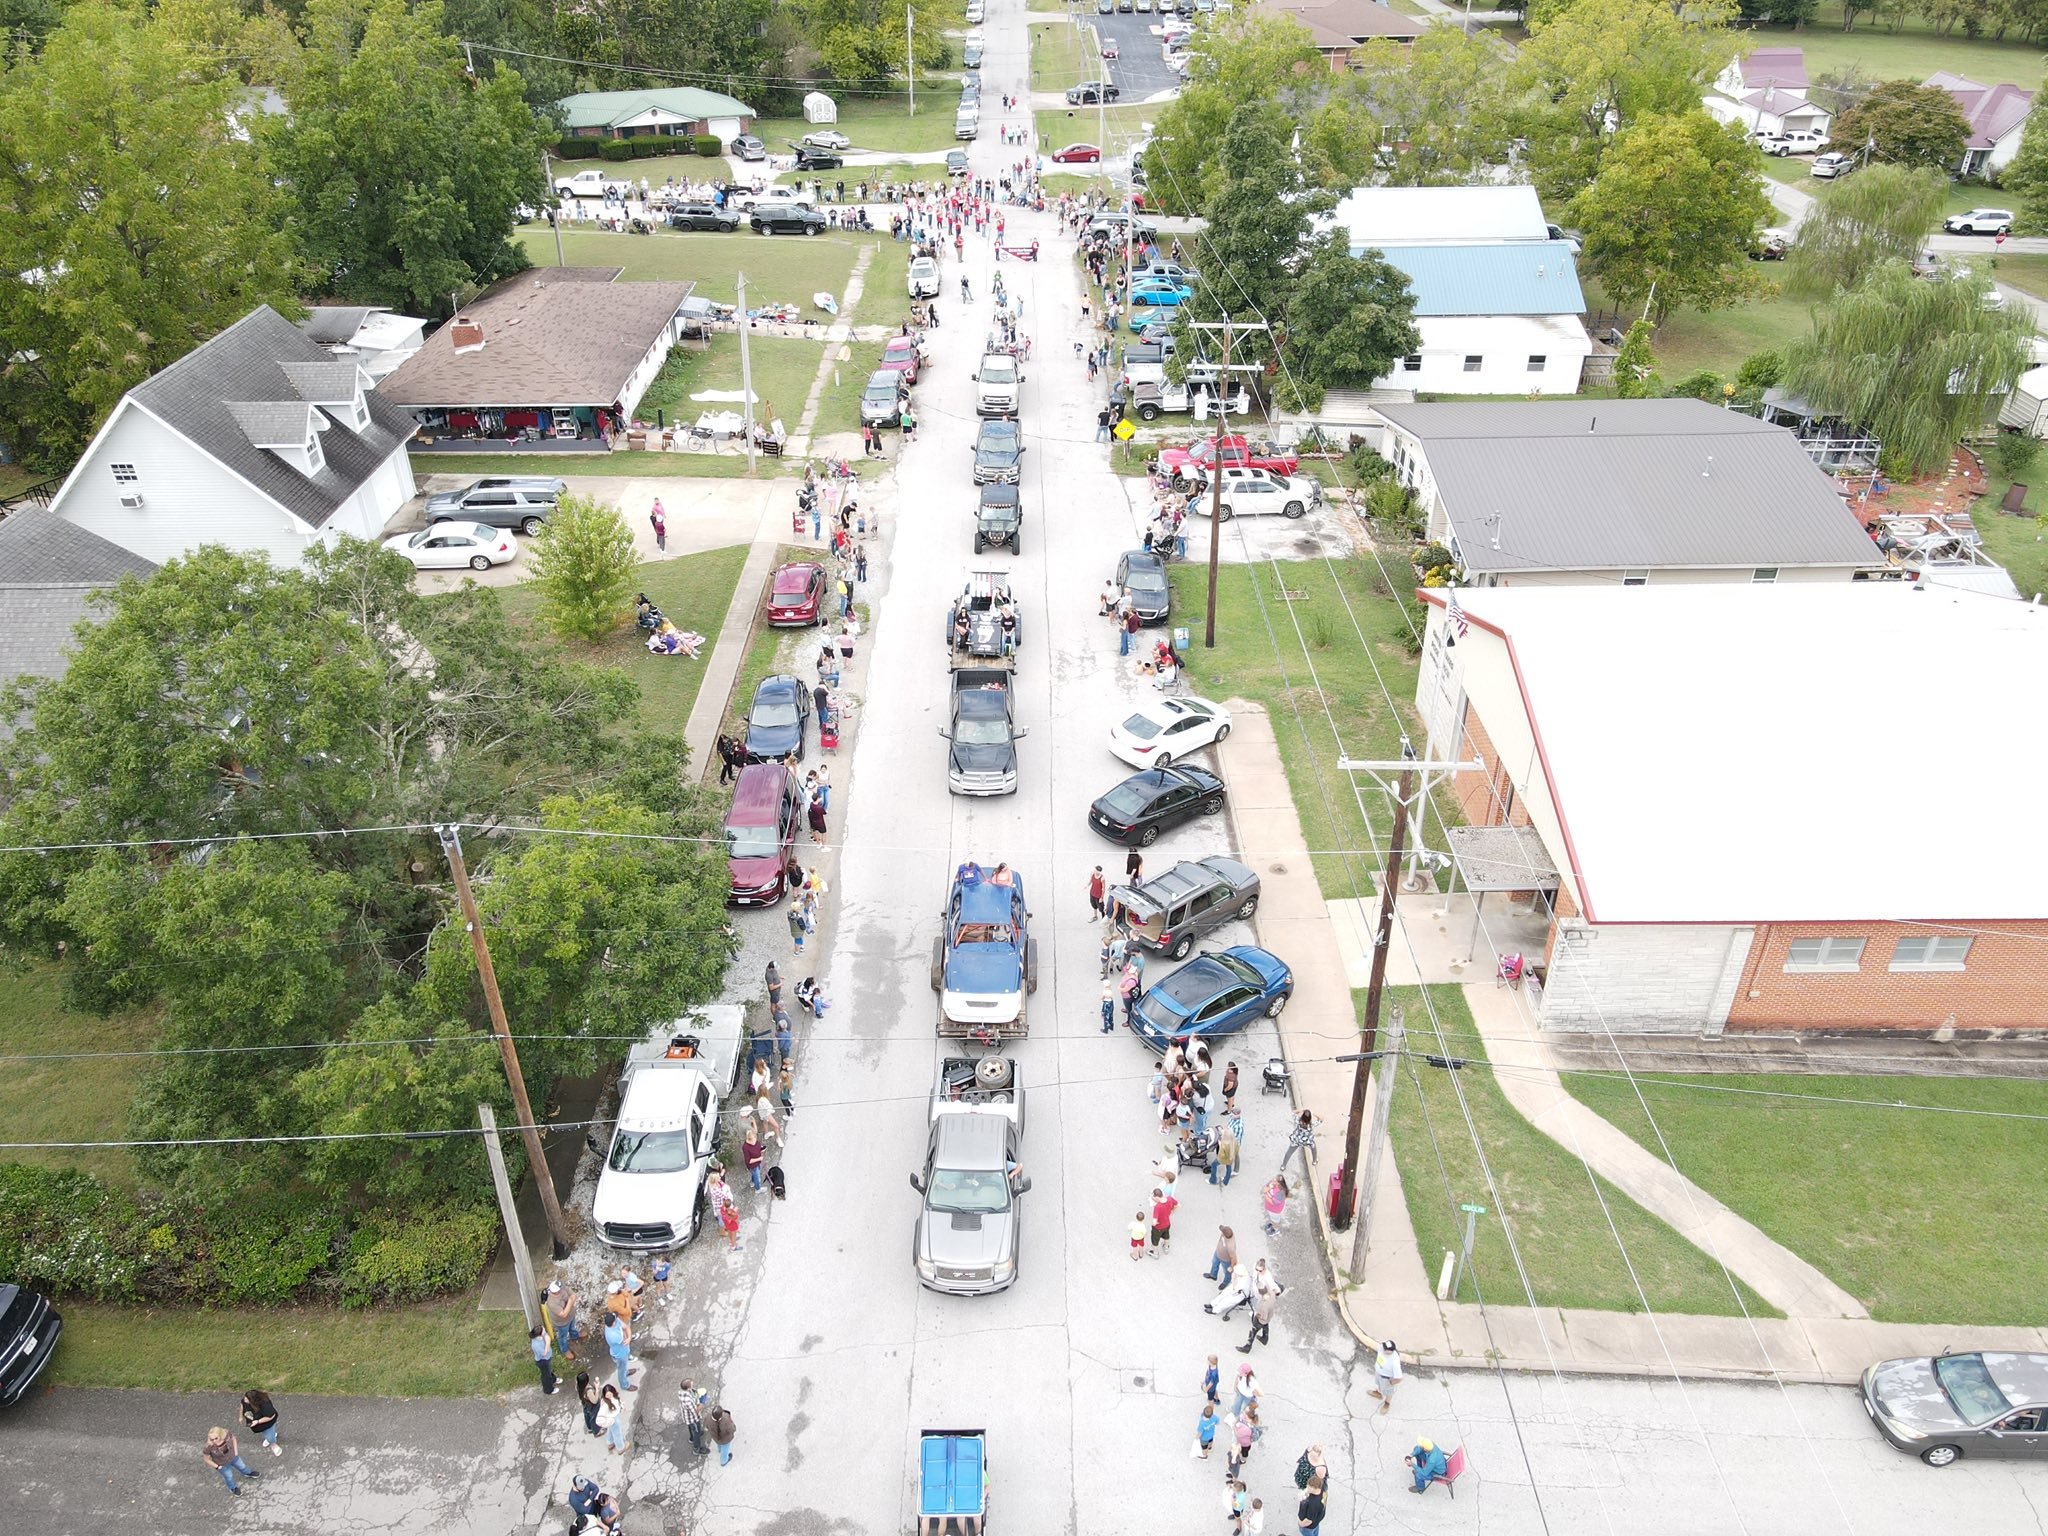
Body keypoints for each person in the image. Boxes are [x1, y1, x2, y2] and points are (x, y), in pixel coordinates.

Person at [203, 1426, 260, 1495]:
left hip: (233, 1457)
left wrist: (236, 1452)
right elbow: (206, 1459)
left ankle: (247, 1473)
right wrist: (217, 1466)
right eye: (212, 1439)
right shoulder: (209, 1447)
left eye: (216, 1438)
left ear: (220, 1435)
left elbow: (233, 1439)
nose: (214, 1441)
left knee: (242, 1466)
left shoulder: (227, 1434)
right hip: (222, 1464)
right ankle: (233, 1487)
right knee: (229, 1476)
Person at [240, 1389, 282, 1455]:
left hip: (267, 1424)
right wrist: (240, 1416)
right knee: (267, 1433)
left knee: (269, 1436)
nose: (245, 1400)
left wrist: (258, 1421)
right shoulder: (246, 1401)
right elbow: (242, 1405)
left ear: (253, 1401)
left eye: (247, 1399)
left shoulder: (265, 1404)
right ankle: (272, 1435)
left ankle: (273, 1445)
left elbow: (271, 1416)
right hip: (256, 1424)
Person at [603, 1310, 633, 1393]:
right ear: (612, 1323)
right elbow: (625, 1334)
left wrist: (628, 1337)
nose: (617, 1319)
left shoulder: (614, 1322)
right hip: (620, 1355)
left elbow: (626, 1328)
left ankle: (626, 1372)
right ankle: (624, 1385)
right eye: (615, 1319)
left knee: (624, 1367)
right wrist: (628, 1336)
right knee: (621, 1370)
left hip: (624, 1350)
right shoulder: (613, 1335)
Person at [1372, 1341, 1403, 1414]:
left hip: (1386, 1378)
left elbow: (1399, 1378)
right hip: (1378, 1373)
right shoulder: (1381, 1347)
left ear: (1392, 1351)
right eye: (1384, 1348)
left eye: (1386, 1350)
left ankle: (1387, 1403)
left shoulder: (1394, 1362)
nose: (1384, 1350)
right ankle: (1379, 1393)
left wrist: (1391, 1382)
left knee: (1389, 1392)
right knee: (1378, 1384)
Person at [679, 1380, 709, 1456]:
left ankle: (692, 1438)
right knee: (696, 1430)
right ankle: (697, 1449)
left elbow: (694, 1396)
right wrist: (703, 1403)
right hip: (693, 1419)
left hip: (687, 1417)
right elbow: (695, 1411)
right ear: (688, 1388)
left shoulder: (684, 1392)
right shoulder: (688, 1400)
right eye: (692, 1385)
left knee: (691, 1428)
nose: (693, 1385)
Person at [596, 1382, 626, 1452]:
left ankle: (610, 1443)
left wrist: (622, 1406)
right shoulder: (605, 1405)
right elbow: (599, 1419)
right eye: (607, 1395)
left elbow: (618, 1402)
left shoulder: (613, 1398)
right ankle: (621, 1448)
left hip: (613, 1419)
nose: (609, 1396)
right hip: (613, 1420)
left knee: (611, 1430)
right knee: (617, 1434)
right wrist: (609, 1421)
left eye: (610, 1394)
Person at [1206, 1224, 1237, 1290]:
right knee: (1214, 1263)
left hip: (1225, 1260)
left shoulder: (1230, 1246)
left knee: (1227, 1272)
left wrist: (1231, 1267)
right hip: (1217, 1253)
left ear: (1225, 1235)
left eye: (1222, 1232)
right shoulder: (1225, 1233)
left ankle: (1226, 1282)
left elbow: (1234, 1258)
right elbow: (1223, 1228)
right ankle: (1213, 1275)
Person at [532, 1326, 559, 1393]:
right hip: (543, 1361)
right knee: (546, 1375)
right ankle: (548, 1389)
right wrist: (548, 1342)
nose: (545, 1331)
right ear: (540, 1334)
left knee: (549, 1371)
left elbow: (546, 1335)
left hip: (547, 1359)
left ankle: (553, 1379)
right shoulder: (536, 1345)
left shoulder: (542, 1336)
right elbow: (544, 1353)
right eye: (544, 1330)